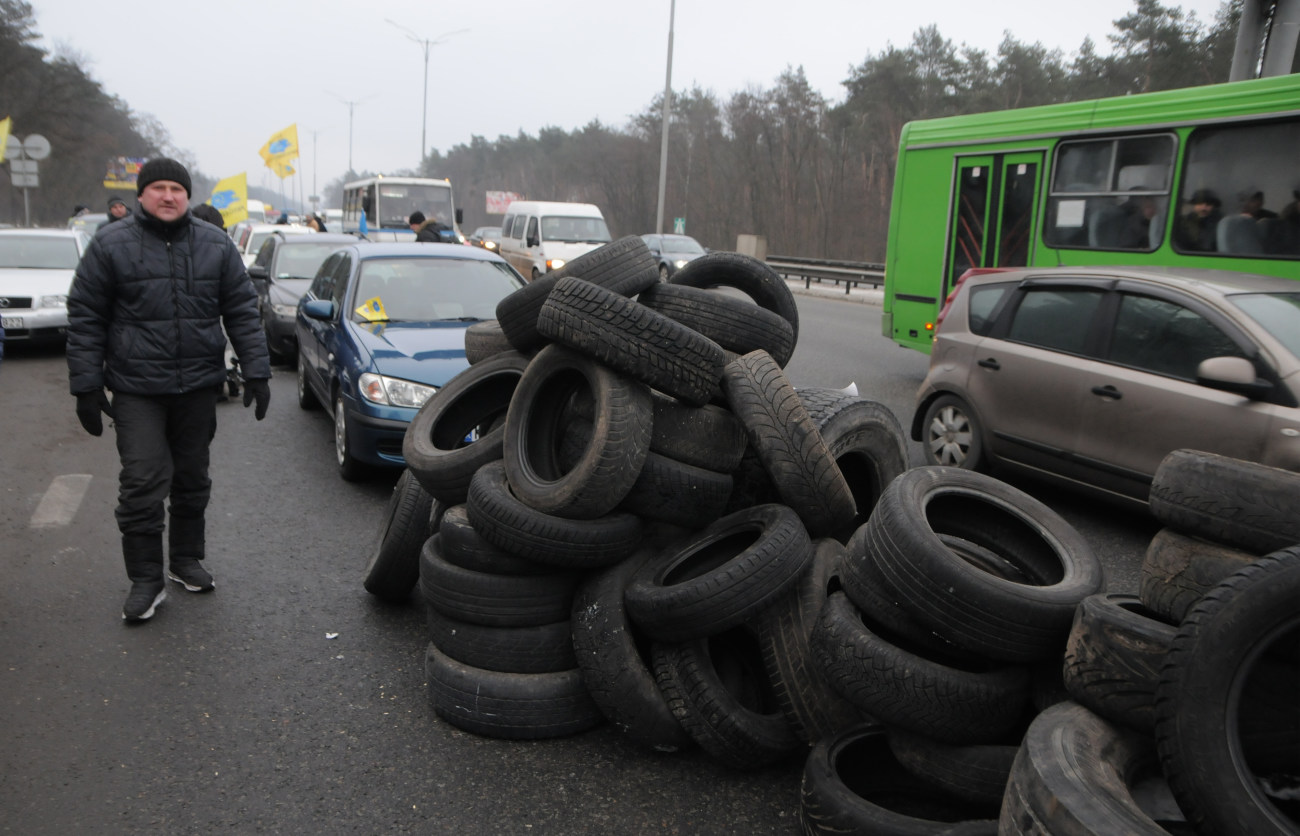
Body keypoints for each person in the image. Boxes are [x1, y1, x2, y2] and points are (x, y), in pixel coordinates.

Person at [66, 157, 272, 623]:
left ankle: (184, 560)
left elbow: (241, 309)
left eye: (175, 188)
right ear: (140, 196)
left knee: (192, 478)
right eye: (157, 187)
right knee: (142, 481)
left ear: (187, 195)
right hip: (137, 389)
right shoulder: (111, 245)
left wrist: (257, 372)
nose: (167, 195)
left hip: (198, 386)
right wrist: (85, 384)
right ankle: (145, 579)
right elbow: (86, 316)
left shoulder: (216, 244)